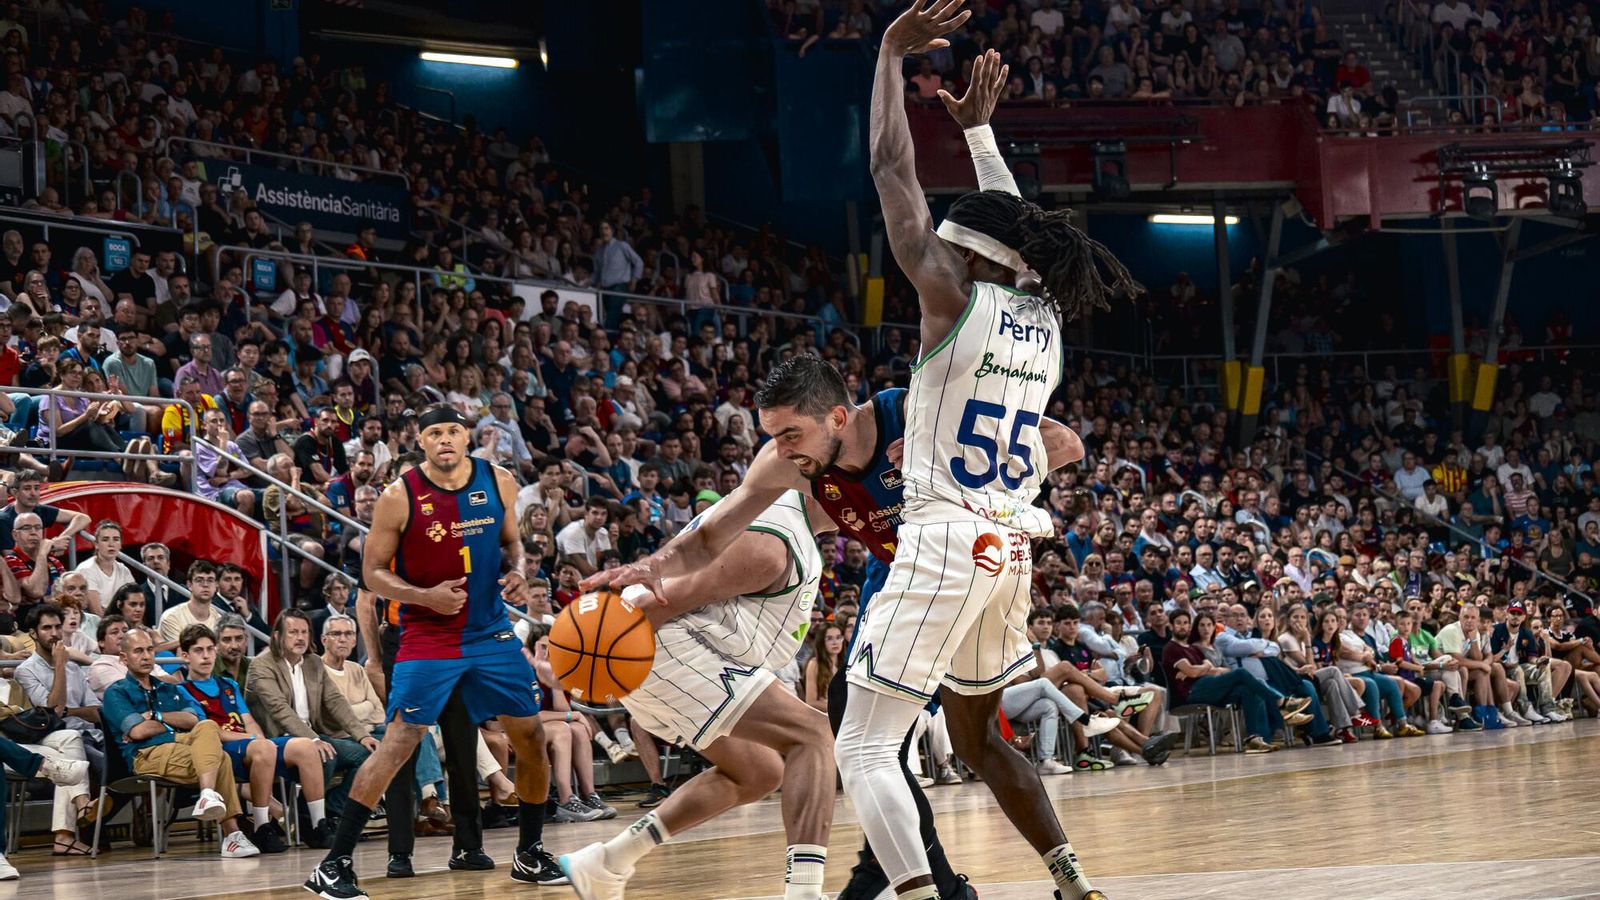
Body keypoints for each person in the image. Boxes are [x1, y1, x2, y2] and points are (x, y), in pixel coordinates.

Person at [304, 404, 559, 900]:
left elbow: (514, 542)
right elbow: (373, 576)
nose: (445, 440)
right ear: (421, 441)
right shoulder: (399, 497)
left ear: (468, 437)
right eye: (435, 433)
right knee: (400, 740)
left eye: (453, 431)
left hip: (489, 631)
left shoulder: (499, 480)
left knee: (531, 737)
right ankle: (333, 865)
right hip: (428, 636)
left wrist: (520, 570)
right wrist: (424, 597)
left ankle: (529, 852)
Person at [559, 491, 837, 900]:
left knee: (759, 772)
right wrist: (608, 661)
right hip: (662, 644)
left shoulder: (779, 516)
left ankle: (608, 862)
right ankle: (805, 895)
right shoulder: (774, 543)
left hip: (669, 650)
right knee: (813, 736)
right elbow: (673, 596)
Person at [100, 629, 260, 858]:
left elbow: (193, 720)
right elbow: (138, 731)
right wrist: (171, 723)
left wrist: (157, 716)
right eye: (138, 651)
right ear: (124, 658)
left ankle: (207, 795)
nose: (146, 656)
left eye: (149, 650)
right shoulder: (116, 693)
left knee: (208, 726)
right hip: (145, 754)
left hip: (181, 744)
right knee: (220, 758)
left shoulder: (169, 688)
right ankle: (232, 835)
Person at [177, 623, 333, 852]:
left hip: (250, 744)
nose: (206, 656)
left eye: (210, 649)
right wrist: (255, 742)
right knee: (263, 749)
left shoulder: (228, 685)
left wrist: (258, 739)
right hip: (222, 749)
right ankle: (261, 827)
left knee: (306, 746)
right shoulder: (182, 690)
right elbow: (210, 732)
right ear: (184, 656)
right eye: (198, 651)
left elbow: (249, 720)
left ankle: (319, 825)